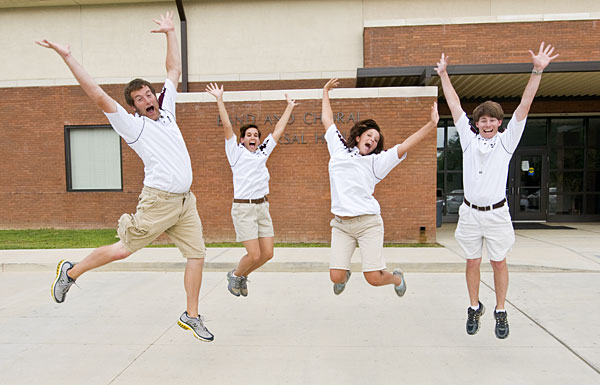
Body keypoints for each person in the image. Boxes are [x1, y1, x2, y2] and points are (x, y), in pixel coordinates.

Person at [39, 11, 214, 342]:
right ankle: (71, 272)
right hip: (159, 201)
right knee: (123, 250)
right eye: (140, 99)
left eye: (148, 94)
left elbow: (174, 70)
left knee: (197, 254)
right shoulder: (133, 126)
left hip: (184, 203)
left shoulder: (167, 111)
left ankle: (191, 315)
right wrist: (68, 56)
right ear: (133, 107)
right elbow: (96, 94)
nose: (148, 99)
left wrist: (170, 32)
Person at [435, 42, 559, 339]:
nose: (486, 123)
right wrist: (443, 75)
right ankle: (474, 305)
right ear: (476, 124)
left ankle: (501, 310)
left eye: (492, 119)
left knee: (498, 261)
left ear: (499, 123)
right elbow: (454, 106)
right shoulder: (468, 139)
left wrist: (537, 71)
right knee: (472, 262)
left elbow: (525, 106)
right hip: (469, 213)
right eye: (482, 119)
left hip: (497, 213)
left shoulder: (506, 140)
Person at [321, 78, 439, 297]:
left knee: (373, 278)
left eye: (376, 140)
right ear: (358, 137)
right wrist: (325, 91)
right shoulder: (338, 149)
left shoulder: (377, 162)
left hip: (368, 223)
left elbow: (405, 145)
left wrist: (431, 125)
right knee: (335, 277)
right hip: (341, 224)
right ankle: (344, 275)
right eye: (369, 136)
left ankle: (396, 278)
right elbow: (327, 120)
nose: (373, 141)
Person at [205, 83, 296, 297]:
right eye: (249, 135)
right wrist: (219, 100)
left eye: (256, 134)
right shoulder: (235, 153)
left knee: (268, 254)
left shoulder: (262, 152)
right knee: (254, 255)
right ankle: (236, 274)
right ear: (243, 139)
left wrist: (289, 107)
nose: (253, 137)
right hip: (244, 209)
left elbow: (278, 131)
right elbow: (227, 127)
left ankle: (241, 275)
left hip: (262, 207)